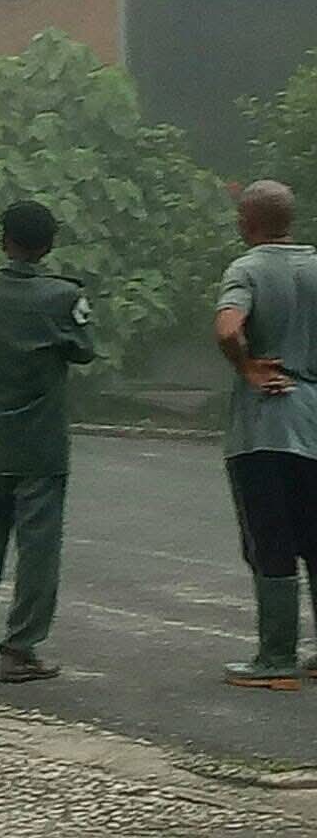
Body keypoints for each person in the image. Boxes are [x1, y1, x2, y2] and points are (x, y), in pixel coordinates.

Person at [0, 200, 95, 682]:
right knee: (38, 551)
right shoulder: (62, 296)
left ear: (2, 240)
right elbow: (84, 351)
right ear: (48, 245)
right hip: (40, 443)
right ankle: (20, 649)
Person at [214, 179, 317, 690]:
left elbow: (229, 328)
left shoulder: (246, 269)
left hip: (266, 427)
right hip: (314, 422)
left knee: (270, 540)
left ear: (247, 223)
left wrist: (249, 367)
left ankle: (276, 658)